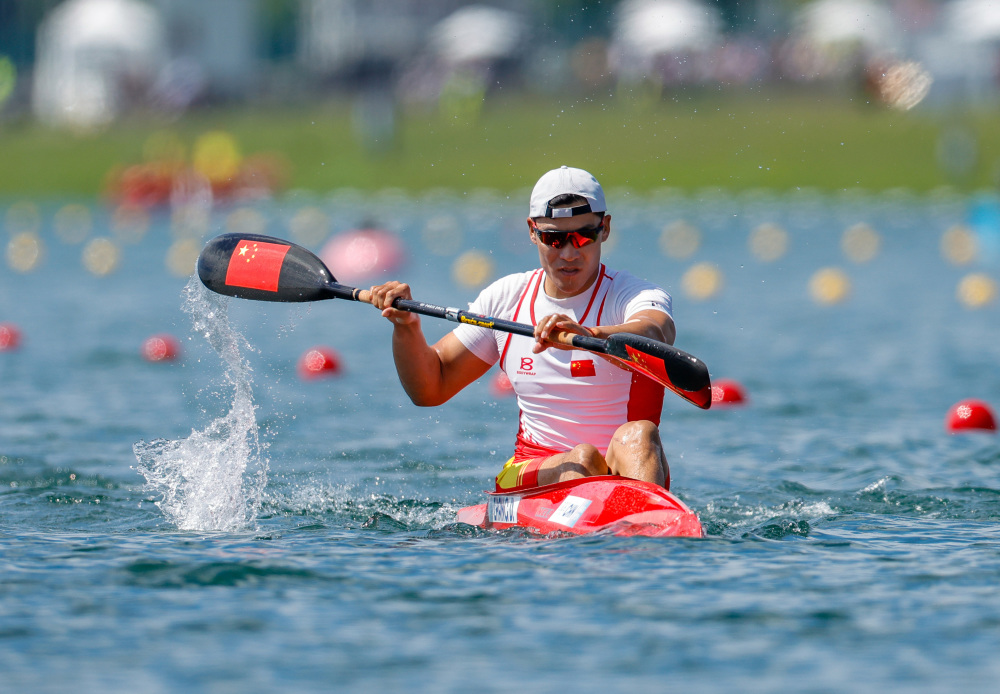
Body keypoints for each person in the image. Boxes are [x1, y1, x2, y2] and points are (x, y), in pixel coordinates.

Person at [369, 166, 676, 491]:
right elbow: (430, 388)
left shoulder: (635, 295)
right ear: (532, 231)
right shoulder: (506, 298)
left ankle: (645, 517)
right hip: (531, 473)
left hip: (626, 471)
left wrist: (589, 337)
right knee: (583, 459)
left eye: (583, 236)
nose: (569, 253)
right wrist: (406, 328)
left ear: (606, 228)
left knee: (640, 435)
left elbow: (655, 333)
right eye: (554, 239)